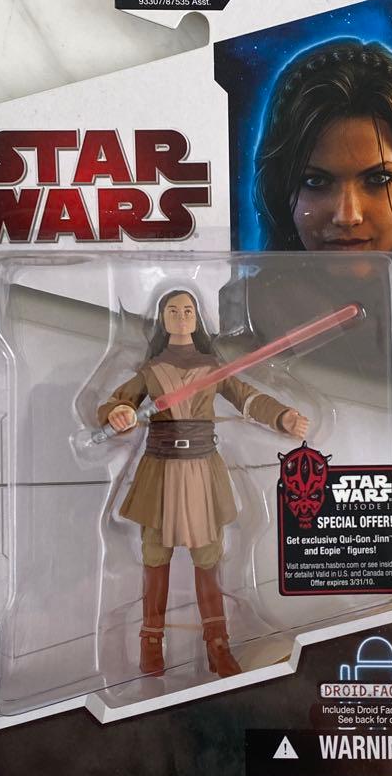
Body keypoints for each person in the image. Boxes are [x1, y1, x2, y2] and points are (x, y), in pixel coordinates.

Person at [97, 289, 308, 678]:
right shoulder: (150, 371)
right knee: (155, 554)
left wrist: (282, 416)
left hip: (201, 469)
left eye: (187, 310)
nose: (181, 317)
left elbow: (247, 398)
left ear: (196, 318)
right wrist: (120, 413)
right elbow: (116, 403)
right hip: (160, 471)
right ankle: (150, 640)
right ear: (163, 319)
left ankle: (217, 643)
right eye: (173, 310)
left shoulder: (212, 368)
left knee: (207, 557)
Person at [253, 39, 392, 390]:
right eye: (315, 181)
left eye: (378, 179)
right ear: (281, 186)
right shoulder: (238, 310)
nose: (347, 216)